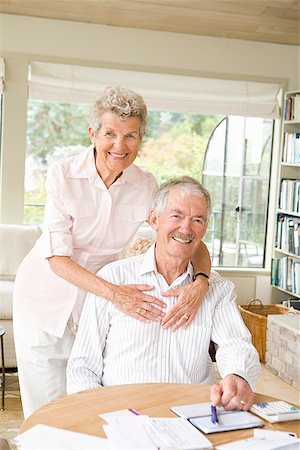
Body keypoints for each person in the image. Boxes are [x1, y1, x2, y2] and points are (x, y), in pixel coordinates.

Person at [13, 87, 211, 419]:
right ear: (93, 133)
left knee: (91, 408)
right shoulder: (64, 175)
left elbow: (187, 237)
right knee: (47, 412)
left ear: (141, 137)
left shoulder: (146, 185)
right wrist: (116, 294)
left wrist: (201, 283)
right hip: (44, 304)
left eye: (130, 136)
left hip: (96, 309)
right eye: (110, 134)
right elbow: (57, 258)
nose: (119, 146)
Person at [67, 177, 260, 411]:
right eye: (176, 216)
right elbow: (83, 365)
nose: (186, 229)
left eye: (197, 220)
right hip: (121, 412)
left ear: (205, 227)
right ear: (154, 219)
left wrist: (238, 376)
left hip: (191, 414)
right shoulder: (113, 279)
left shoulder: (217, 289)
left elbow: (236, 344)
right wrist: (100, 412)